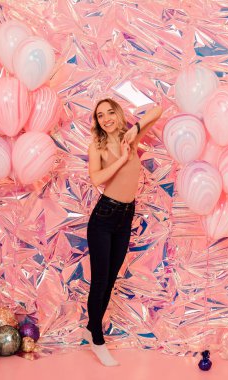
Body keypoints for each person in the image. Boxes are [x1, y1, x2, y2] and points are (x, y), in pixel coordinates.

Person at [84, 98, 163, 366]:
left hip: (125, 216)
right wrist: (123, 158)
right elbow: (96, 178)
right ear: (97, 122)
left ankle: (92, 327)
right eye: (100, 116)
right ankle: (97, 338)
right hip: (104, 217)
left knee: (110, 281)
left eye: (109, 113)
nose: (105, 118)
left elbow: (159, 110)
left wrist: (135, 128)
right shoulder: (97, 145)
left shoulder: (132, 135)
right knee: (100, 280)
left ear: (117, 114)